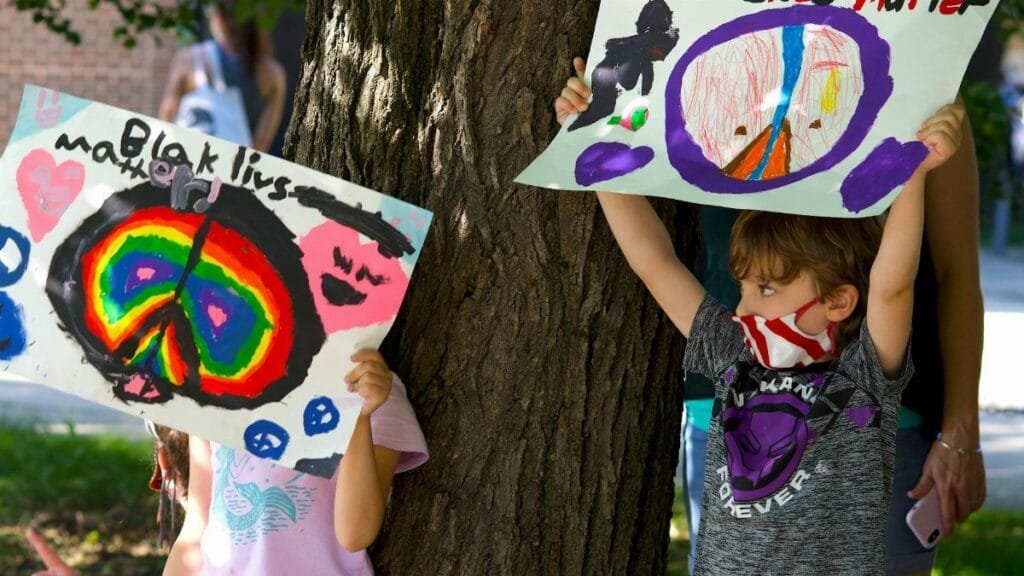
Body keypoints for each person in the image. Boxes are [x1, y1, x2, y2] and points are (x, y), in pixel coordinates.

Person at [556, 59, 965, 574]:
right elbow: (654, 262)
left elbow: (891, 286)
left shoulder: (864, 378)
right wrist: (596, 137)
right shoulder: (733, 356)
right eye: (746, 288)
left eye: (767, 289)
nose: (743, 308)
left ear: (838, 302)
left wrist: (913, 173)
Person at [163, 348, 428, 575]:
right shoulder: (211, 390)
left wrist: (359, 417)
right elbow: (196, 528)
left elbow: (355, 535)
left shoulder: (375, 393)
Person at [158, 0, 286, 152]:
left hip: (186, 161)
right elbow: (262, 142)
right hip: (231, 168)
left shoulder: (191, 59)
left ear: (218, 17)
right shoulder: (273, 74)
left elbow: (167, 117)